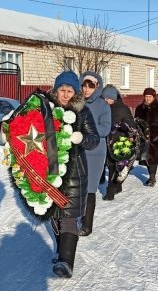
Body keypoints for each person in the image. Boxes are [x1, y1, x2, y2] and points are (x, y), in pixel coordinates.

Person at [48, 71, 99, 277]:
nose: (66, 94)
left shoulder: (83, 112)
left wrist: (81, 138)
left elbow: (94, 139)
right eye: (63, 90)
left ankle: (65, 261)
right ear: (56, 91)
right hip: (49, 171)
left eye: (70, 91)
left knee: (68, 217)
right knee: (53, 215)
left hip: (74, 172)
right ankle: (62, 251)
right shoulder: (46, 109)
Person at [78, 72, 111, 236]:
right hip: (78, 149)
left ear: (97, 87)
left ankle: (87, 225)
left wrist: (87, 129)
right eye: (84, 85)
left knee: (90, 187)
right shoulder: (76, 103)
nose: (86, 89)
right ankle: (77, 217)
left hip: (95, 152)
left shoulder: (103, 106)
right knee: (78, 186)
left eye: (90, 86)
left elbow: (105, 129)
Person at [102, 84, 136, 200]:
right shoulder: (105, 107)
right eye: (104, 98)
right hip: (107, 141)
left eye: (108, 98)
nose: (105, 100)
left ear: (114, 98)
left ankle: (110, 192)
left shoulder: (122, 108)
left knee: (115, 167)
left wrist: (129, 133)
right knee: (112, 167)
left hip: (119, 142)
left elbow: (131, 124)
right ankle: (117, 186)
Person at [134, 87, 158, 187]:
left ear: (153, 97)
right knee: (145, 157)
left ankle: (152, 178)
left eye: (150, 96)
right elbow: (136, 122)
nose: (148, 99)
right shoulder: (139, 108)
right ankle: (151, 176)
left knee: (153, 159)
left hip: (156, 137)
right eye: (146, 96)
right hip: (144, 137)